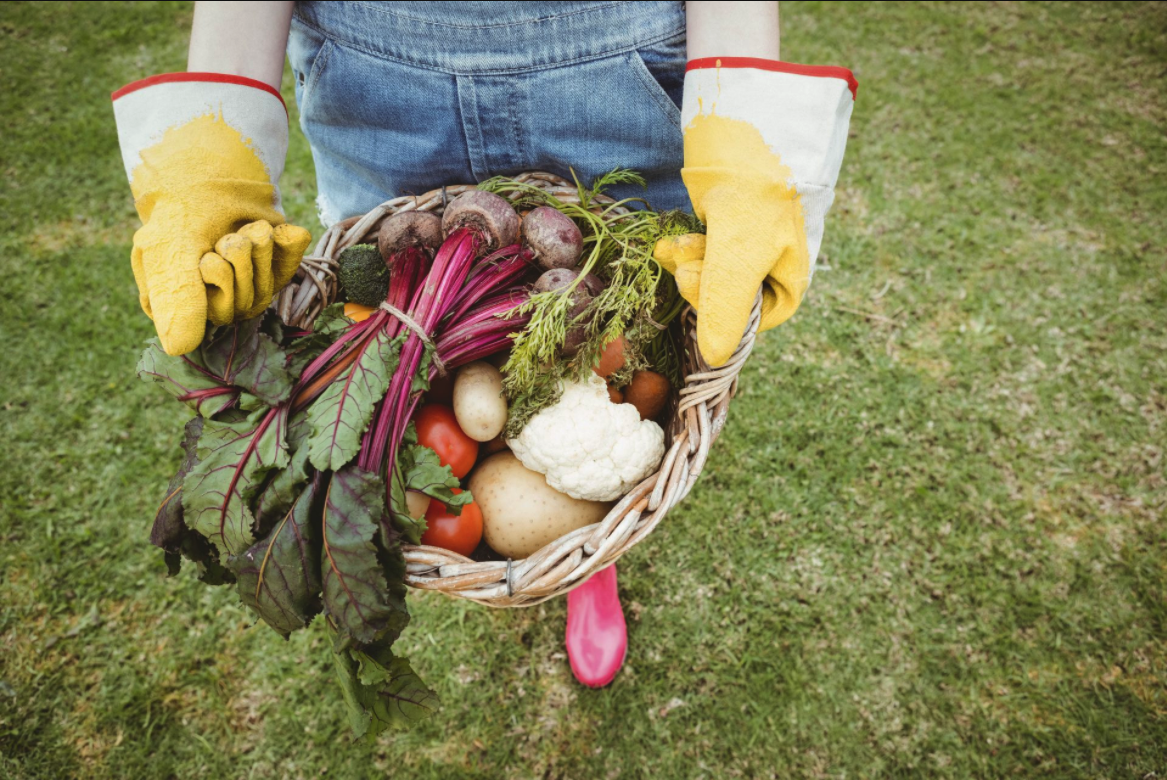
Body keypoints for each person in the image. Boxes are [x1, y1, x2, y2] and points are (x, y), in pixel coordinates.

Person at [113, 0, 855, 689]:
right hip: (378, 79)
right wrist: (217, 136)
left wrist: (747, 144)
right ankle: (566, 507)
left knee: (637, 323)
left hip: (619, 71)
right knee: (373, 312)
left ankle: (589, 533)